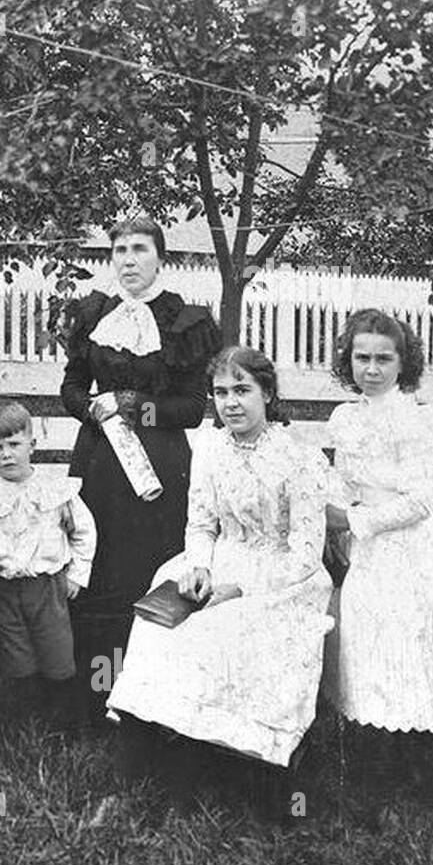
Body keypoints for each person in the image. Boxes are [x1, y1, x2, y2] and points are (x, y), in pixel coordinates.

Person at [106, 347, 332, 820]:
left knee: (224, 627)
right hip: (224, 559)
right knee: (160, 613)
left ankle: (234, 768)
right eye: (221, 392)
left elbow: (307, 553)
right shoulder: (210, 449)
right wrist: (201, 567)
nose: (231, 403)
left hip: (283, 578)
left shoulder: (300, 458)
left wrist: (240, 589)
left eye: (243, 390)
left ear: (268, 393)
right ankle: (154, 757)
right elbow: (201, 525)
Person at [59, 215, 220, 724]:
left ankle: (148, 702)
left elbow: (194, 407)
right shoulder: (91, 315)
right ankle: (94, 696)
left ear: (160, 257)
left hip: (160, 470)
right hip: (100, 464)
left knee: (147, 573)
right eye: (119, 250)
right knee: (97, 569)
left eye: (139, 249)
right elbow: (70, 387)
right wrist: (94, 410)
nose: (128, 260)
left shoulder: (184, 322)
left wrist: (140, 409)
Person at [322, 309, 433, 793]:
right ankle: (374, 760)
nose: (372, 369)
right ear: (349, 361)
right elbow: (343, 479)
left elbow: (418, 501)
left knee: (412, 645)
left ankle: (421, 765)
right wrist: (332, 511)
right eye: (362, 357)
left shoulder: (419, 420)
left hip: (411, 551)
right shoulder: (346, 418)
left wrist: (352, 520)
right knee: (369, 645)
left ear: (403, 363)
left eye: (384, 359)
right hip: (368, 552)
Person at [0, 400, 97, 729]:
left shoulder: (55, 489)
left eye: (14, 444)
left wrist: (78, 575)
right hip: (5, 589)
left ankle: (63, 725)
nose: (7, 455)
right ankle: (26, 724)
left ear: (32, 444)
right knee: (16, 655)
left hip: (48, 587)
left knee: (57, 652)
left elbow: (84, 531)